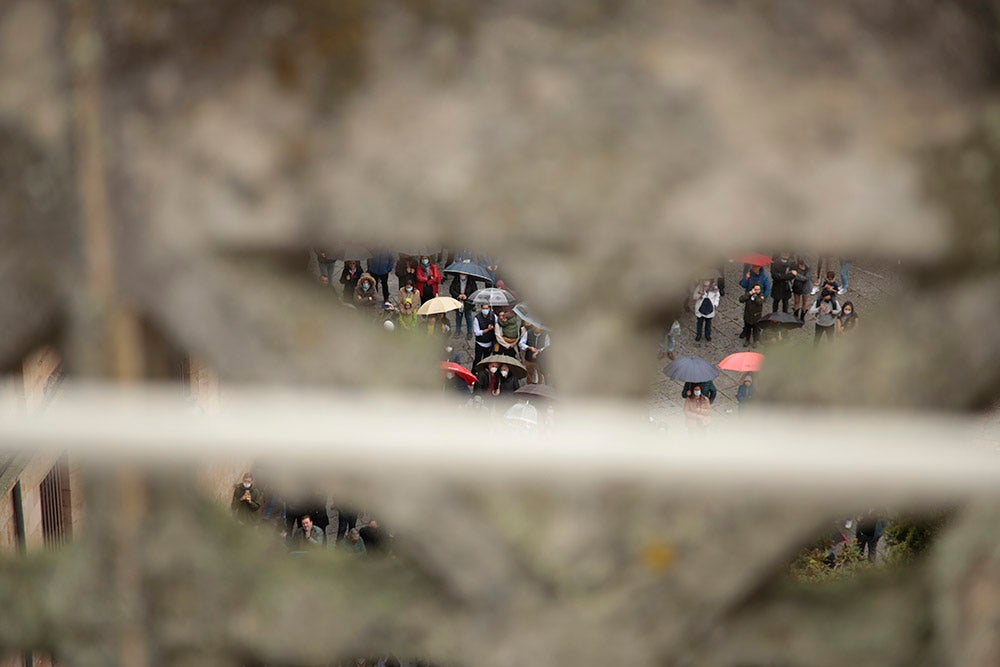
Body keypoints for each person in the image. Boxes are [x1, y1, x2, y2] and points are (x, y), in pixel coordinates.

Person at [448, 273, 480, 340]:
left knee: (469, 317)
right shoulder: (456, 279)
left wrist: (467, 296)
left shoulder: (471, 280)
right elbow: (451, 289)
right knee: (458, 317)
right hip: (458, 301)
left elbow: (475, 291)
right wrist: (458, 295)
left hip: (468, 302)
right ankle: (458, 330)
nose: (463, 275)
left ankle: (470, 332)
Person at [791, 256, 812, 321]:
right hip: (797, 286)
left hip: (805, 287)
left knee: (804, 303)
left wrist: (796, 275)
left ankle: (802, 317)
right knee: (796, 302)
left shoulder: (809, 269)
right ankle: (795, 316)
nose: (801, 267)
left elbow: (805, 278)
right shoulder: (795, 266)